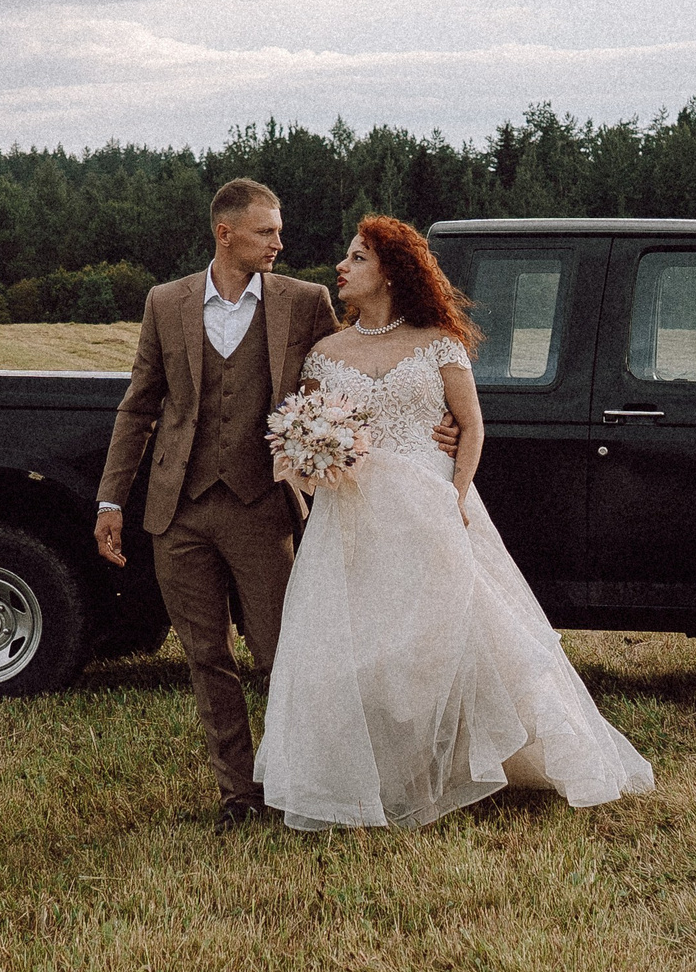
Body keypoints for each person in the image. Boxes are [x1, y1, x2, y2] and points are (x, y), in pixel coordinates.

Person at [255, 215, 653, 830]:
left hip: (430, 506)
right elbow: (304, 432)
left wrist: (456, 495)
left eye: (356, 258)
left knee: (447, 636)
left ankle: (458, 760)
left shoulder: (439, 342)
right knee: (358, 643)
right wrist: (312, 453)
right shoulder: (325, 354)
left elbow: (472, 426)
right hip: (353, 516)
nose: (341, 267)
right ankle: (371, 775)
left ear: (389, 270)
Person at [94, 181, 458, 831]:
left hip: (262, 505)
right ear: (225, 233)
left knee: (283, 653)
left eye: (278, 230)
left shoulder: (306, 300)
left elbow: (349, 378)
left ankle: (308, 782)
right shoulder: (166, 302)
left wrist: (433, 421)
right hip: (177, 511)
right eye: (266, 231)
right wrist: (111, 498)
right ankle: (240, 794)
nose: (279, 242)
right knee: (207, 657)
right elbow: (140, 407)